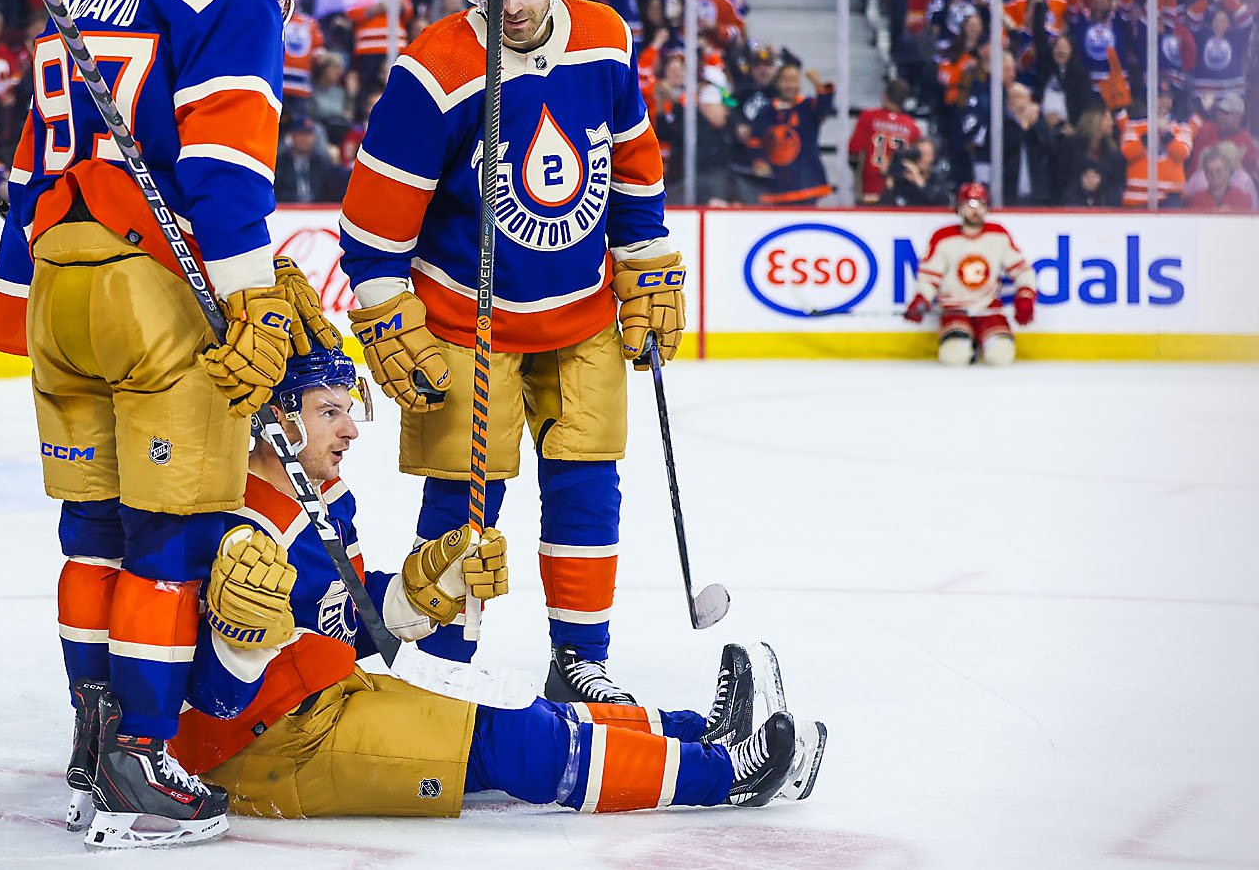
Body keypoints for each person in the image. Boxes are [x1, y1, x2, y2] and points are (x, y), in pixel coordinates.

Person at [0, 0, 333, 852]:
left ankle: (89, 737)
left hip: (58, 287)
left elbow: (26, 168)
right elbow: (225, 175)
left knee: (89, 528)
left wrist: (11, 304)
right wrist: (255, 303)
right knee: (170, 534)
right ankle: (143, 746)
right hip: (154, 292)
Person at [151, 345, 827, 821]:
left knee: (525, 705)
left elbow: (349, 621)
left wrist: (424, 586)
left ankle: (698, 733)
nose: (352, 427)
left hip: (327, 697)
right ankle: (723, 776)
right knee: (512, 733)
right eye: (331, 411)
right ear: (279, 421)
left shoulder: (321, 495)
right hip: (266, 749)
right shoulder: (231, 525)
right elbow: (210, 700)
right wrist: (240, 638)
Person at [337, 0, 682, 705]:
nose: (515, 5)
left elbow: (632, 170)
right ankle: (445, 663)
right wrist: (390, 313)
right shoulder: (434, 71)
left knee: (588, 485)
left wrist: (646, 261)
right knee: (463, 496)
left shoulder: (604, 38)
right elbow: (373, 223)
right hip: (466, 325)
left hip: (584, 318)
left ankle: (581, 658)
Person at [905, 184, 1038, 367]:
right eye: (969, 205)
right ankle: (967, 343)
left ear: (986, 208)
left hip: (989, 309)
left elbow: (1022, 270)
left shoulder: (998, 234)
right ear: (959, 208)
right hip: (954, 310)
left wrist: (1025, 296)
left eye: (980, 205)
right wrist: (921, 299)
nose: (975, 210)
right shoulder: (942, 237)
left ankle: (982, 341)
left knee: (1000, 358)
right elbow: (929, 277)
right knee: (954, 359)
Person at [744, 61, 835, 205]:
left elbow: (825, 108)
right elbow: (755, 142)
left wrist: (818, 85)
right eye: (785, 80)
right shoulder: (766, 112)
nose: (790, 85)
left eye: (794, 80)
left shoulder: (808, 106)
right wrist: (759, 162)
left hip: (807, 182)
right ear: (777, 82)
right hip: (776, 184)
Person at [849, 78, 923, 204]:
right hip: (900, 193)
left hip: (870, 187)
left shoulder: (868, 117)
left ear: (885, 95)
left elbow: (854, 151)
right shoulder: (913, 127)